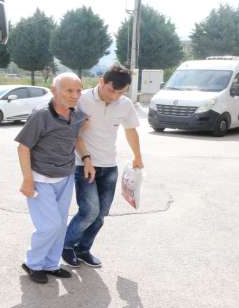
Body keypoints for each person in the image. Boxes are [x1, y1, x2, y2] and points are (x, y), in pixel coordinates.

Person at [62, 64, 144, 268]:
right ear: (101, 82)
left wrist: (138, 156)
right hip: (84, 163)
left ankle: (83, 249)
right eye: (111, 90)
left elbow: (131, 130)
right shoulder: (81, 99)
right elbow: (74, 133)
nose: (115, 96)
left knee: (100, 215)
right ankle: (65, 245)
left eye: (120, 92)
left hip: (109, 166)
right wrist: (86, 158)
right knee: (89, 211)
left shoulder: (125, 104)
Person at [15, 72, 94, 284]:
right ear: (54, 91)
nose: (74, 95)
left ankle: (51, 264)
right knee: (49, 225)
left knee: (60, 225)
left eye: (78, 91)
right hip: (41, 178)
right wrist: (27, 179)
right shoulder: (41, 115)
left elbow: (76, 138)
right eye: (69, 90)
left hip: (65, 177)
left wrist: (86, 158)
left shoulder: (76, 116)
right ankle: (33, 263)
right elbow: (23, 148)